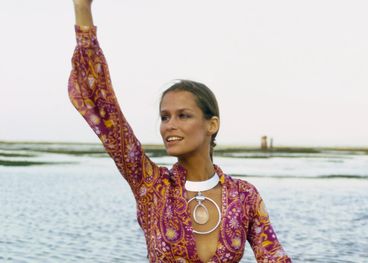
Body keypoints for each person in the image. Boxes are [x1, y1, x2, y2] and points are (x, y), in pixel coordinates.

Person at [69, 1, 291, 262]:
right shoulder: (151, 186)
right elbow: (105, 110)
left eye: (183, 115)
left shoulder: (244, 196)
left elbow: (274, 256)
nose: (169, 125)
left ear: (212, 125)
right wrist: (83, 9)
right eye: (165, 117)